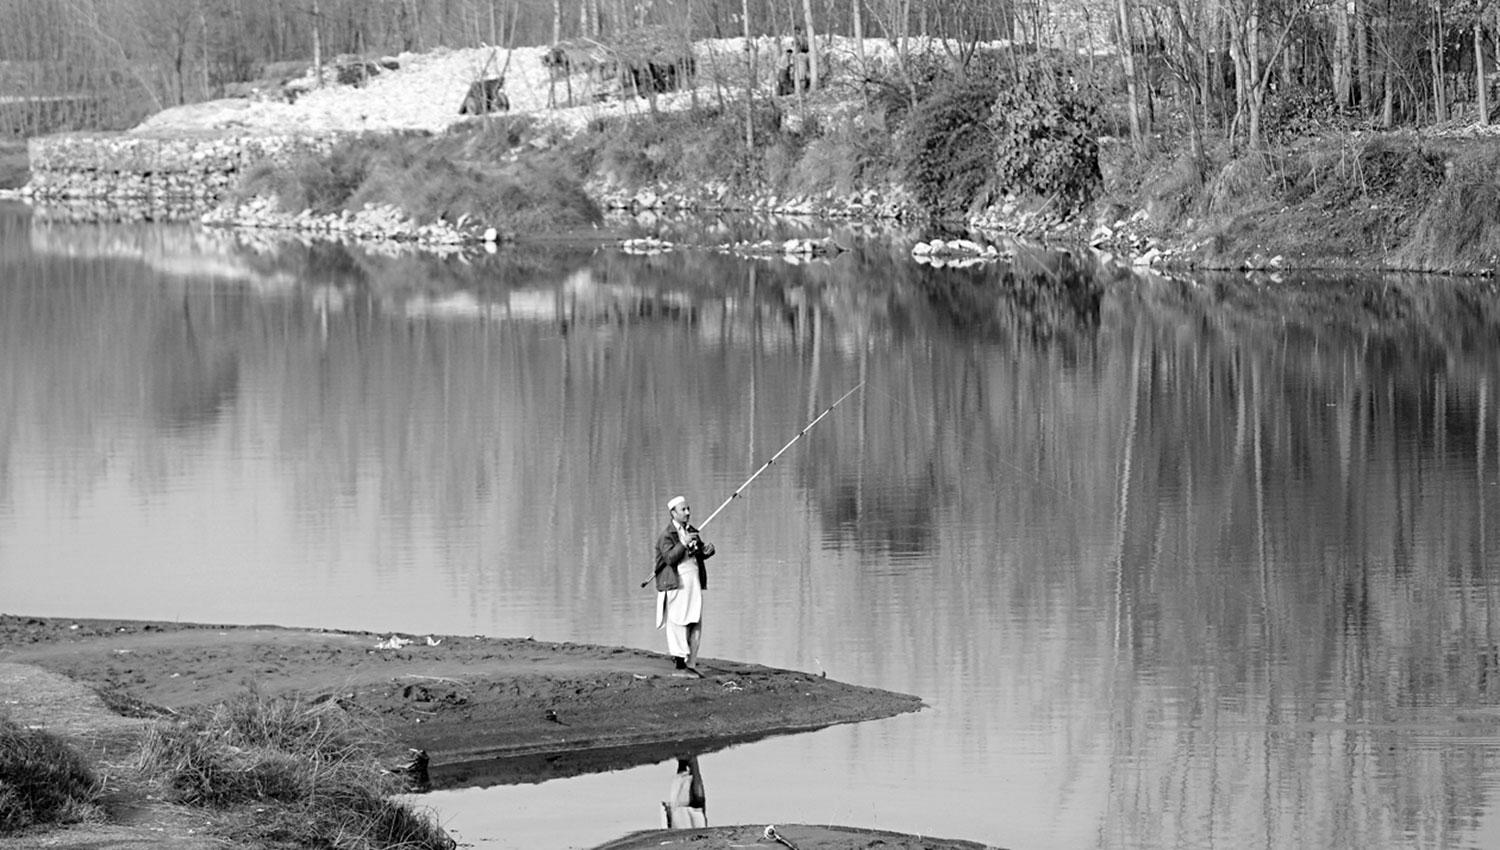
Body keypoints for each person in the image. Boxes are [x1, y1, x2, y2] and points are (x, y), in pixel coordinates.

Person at [654, 495, 714, 675]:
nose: (688, 512)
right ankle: (680, 664)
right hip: (676, 584)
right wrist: (683, 542)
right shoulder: (666, 535)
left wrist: (706, 552)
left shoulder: (692, 530)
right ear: (673, 513)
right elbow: (670, 558)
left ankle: (691, 664)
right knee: (678, 622)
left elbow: (697, 554)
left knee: (695, 621)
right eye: (683, 510)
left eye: (688, 509)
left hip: (693, 583)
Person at [660, 755, 707, 828]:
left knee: (698, 807)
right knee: (681, 788)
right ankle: (689, 760)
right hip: (680, 817)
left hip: (691, 823)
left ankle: (692, 760)